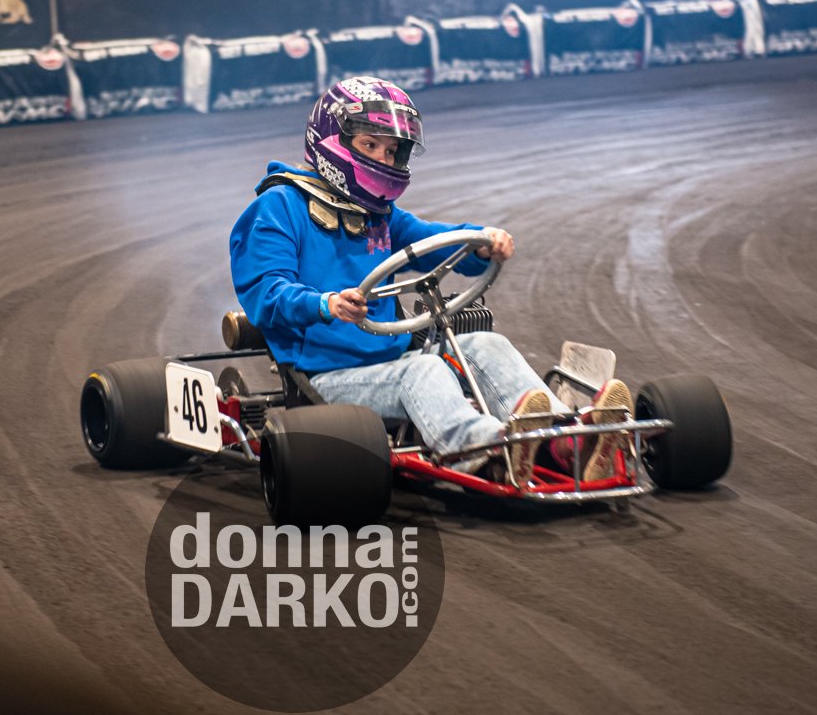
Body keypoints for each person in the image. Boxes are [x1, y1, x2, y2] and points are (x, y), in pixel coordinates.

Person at [228, 76, 632, 487]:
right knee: (423, 372)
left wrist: (481, 243)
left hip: (391, 358)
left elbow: (431, 240)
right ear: (333, 140)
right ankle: (487, 448)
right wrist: (325, 303)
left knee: (486, 346)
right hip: (323, 377)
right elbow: (265, 293)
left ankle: (565, 440)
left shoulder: (378, 215)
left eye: (391, 151)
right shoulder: (278, 207)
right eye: (370, 145)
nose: (383, 159)